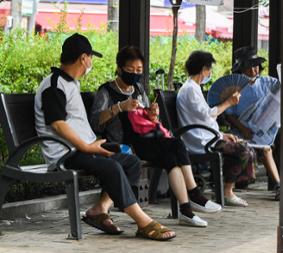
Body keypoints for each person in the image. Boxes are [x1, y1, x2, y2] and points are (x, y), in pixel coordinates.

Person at [35, 33, 174, 240]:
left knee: (130, 162)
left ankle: (99, 210)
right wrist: (88, 147)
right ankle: (142, 221)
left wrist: (91, 145)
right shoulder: (54, 84)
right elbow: (58, 124)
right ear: (83, 58)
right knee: (112, 166)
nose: (91, 63)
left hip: (82, 147)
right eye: (90, 58)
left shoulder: (70, 83)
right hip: (66, 152)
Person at [90, 46, 219, 227]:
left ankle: (185, 210)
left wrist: (153, 114)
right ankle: (194, 195)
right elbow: (95, 122)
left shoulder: (138, 88)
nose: (135, 74)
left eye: (139, 70)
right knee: (175, 145)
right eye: (130, 69)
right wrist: (119, 107)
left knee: (171, 156)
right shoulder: (106, 91)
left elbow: (145, 119)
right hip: (122, 143)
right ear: (119, 68)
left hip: (144, 139)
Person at [178, 50, 256, 207]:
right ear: (203, 70)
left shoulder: (193, 88)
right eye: (209, 69)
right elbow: (208, 115)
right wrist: (228, 102)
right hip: (200, 141)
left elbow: (202, 119)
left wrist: (221, 134)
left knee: (247, 147)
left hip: (206, 136)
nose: (210, 73)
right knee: (243, 151)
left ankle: (226, 189)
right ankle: (226, 192)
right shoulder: (190, 90)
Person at [208, 46, 281, 197]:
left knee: (267, 148)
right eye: (248, 67)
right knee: (253, 147)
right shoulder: (234, 88)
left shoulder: (267, 83)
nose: (253, 71)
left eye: (255, 66)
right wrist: (243, 129)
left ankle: (278, 186)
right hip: (241, 131)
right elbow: (229, 116)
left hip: (263, 130)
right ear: (241, 69)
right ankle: (230, 187)